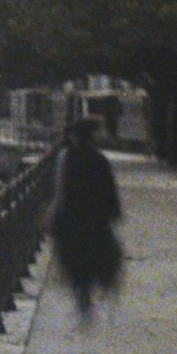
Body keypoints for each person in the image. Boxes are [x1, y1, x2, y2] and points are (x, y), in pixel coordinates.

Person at [48, 116, 123, 320]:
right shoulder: (99, 159)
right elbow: (109, 189)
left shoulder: (66, 157)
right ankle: (93, 289)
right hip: (95, 217)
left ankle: (81, 292)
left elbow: (60, 188)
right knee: (95, 254)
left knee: (75, 257)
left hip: (71, 215)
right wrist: (114, 212)